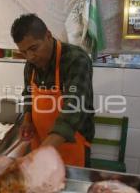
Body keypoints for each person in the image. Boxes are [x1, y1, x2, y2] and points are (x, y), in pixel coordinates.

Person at [11, 14, 94, 167]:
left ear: (48, 36)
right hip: (40, 142)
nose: (30, 57)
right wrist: (27, 119)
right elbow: (28, 95)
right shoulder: (31, 64)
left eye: (34, 48)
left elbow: (74, 108)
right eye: (23, 52)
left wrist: (42, 152)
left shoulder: (76, 59)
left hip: (70, 145)